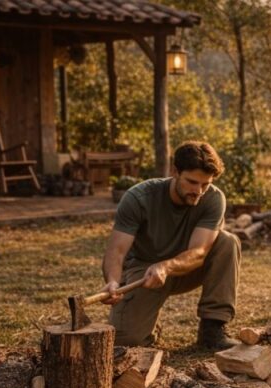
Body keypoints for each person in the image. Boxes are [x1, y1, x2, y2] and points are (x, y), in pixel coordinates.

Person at [101, 141, 241, 351]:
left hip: (184, 267)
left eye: (205, 184)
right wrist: (112, 281)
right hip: (144, 272)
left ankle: (212, 329)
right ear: (174, 171)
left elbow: (199, 252)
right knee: (127, 341)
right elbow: (116, 251)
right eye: (192, 182)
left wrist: (166, 266)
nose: (199, 191)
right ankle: (149, 324)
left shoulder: (213, 198)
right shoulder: (138, 198)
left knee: (227, 242)